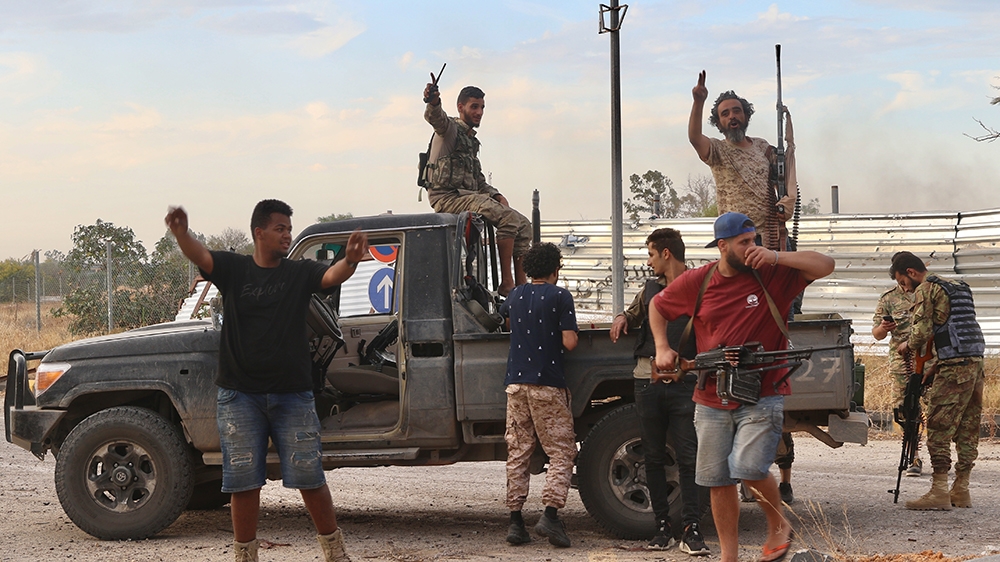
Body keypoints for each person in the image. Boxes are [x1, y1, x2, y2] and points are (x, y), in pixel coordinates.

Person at [165, 200, 368, 562]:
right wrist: (181, 234)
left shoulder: (298, 272)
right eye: (280, 229)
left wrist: (350, 261)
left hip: (293, 396)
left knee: (310, 477)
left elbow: (331, 276)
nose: (287, 235)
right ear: (259, 232)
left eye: (289, 229)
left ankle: (335, 552)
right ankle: (246, 556)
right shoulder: (233, 268)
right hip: (240, 396)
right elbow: (203, 255)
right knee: (243, 482)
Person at [649, 213, 835, 562]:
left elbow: (826, 264)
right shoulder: (699, 281)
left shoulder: (772, 274)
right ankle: (729, 557)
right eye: (744, 242)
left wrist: (776, 256)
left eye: (754, 240)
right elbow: (657, 306)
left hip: (762, 392)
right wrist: (662, 346)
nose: (753, 248)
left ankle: (780, 524)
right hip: (711, 396)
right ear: (722, 246)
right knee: (718, 480)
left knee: (748, 467)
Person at [689, 70, 799, 505]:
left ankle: (760, 466)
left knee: (769, 345)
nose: (731, 117)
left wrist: (789, 199)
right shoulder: (717, 151)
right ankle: (740, 467)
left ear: (746, 115)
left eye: (736, 111)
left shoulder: (766, 152)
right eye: (724, 113)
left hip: (769, 248)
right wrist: (697, 101)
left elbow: (790, 176)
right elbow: (694, 139)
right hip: (734, 253)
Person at [609, 228, 709, 555]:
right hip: (647, 379)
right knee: (652, 456)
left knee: (688, 457)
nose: (648, 261)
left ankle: (692, 530)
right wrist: (622, 318)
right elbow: (634, 312)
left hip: (685, 381)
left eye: (651, 254)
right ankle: (662, 527)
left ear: (666, 253)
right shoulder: (651, 289)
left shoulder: (699, 286)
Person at [891, 251, 985, 511]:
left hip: (955, 367)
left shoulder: (927, 288)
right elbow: (955, 327)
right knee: (968, 427)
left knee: (938, 426)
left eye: (903, 283)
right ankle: (961, 489)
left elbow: (921, 333)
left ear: (911, 272)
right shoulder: (959, 286)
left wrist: (906, 345)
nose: (905, 290)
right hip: (975, 361)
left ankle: (939, 491)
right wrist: (936, 365)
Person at [500, 242, 579, 548]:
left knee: (518, 451)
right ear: (554, 269)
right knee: (561, 451)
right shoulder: (560, 296)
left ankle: (515, 522)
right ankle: (550, 514)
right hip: (547, 384)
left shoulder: (515, 296)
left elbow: (506, 321)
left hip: (516, 385)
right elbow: (570, 342)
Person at [423, 82, 532, 296]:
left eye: (482, 107)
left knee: (524, 225)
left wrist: (496, 195)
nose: (479, 112)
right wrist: (433, 101)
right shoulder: (450, 130)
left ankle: (522, 285)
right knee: (508, 219)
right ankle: (507, 283)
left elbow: (478, 181)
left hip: (466, 196)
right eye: (474, 107)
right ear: (460, 107)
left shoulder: (470, 141)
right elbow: (436, 117)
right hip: (447, 197)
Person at [872, 273, 926, 476]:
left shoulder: (926, 292)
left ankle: (941, 458)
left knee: (935, 410)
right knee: (905, 410)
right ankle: (914, 456)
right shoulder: (888, 298)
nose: (901, 283)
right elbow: (876, 334)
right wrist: (884, 328)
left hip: (929, 360)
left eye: (902, 277)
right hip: (901, 363)